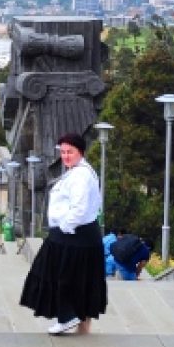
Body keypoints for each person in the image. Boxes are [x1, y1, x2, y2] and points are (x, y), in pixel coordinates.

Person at [19, 132, 107, 335]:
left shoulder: (81, 176)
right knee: (75, 277)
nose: (66, 156)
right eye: (64, 152)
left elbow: (79, 208)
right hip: (78, 235)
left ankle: (68, 316)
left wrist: (65, 227)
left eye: (71, 152)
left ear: (81, 152)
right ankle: (76, 322)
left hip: (74, 235)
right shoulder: (79, 171)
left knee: (61, 274)